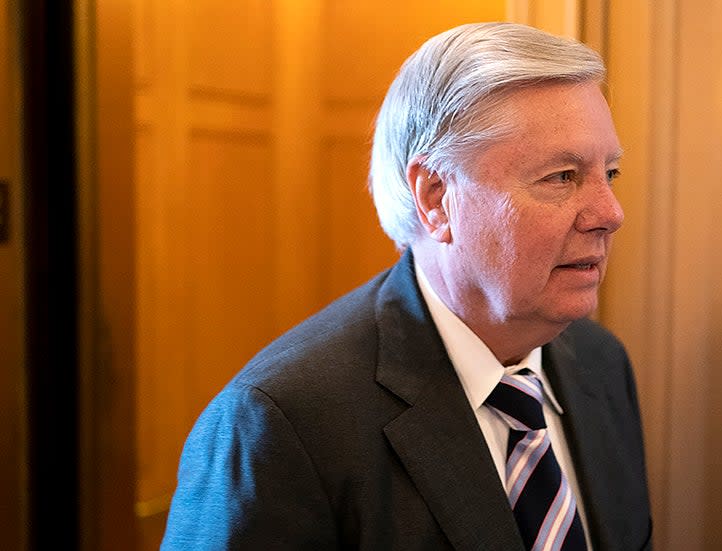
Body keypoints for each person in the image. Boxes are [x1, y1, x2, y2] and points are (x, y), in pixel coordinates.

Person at [162, 21, 652, 550]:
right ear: (436, 197)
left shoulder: (601, 364)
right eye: (562, 177)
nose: (609, 213)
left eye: (611, 173)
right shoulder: (280, 421)